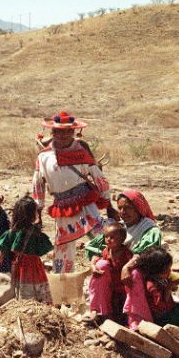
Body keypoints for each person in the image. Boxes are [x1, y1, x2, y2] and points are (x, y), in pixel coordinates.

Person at [32, 111, 114, 274]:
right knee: (63, 247)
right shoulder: (44, 156)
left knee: (101, 238)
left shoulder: (81, 152)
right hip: (62, 206)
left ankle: (112, 271)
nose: (63, 135)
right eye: (58, 131)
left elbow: (99, 177)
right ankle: (63, 288)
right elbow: (38, 183)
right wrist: (37, 209)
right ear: (52, 132)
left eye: (67, 131)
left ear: (74, 132)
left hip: (85, 202)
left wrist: (108, 201)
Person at [85, 189, 162, 329]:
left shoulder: (149, 229)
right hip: (117, 271)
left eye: (128, 208)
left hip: (142, 271)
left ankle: (137, 320)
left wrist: (127, 266)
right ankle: (100, 313)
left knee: (134, 274)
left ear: (139, 208)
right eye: (120, 208)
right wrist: (93, 263)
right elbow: (97, 248)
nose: (123, 212)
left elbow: (146, 254)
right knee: (101, 265)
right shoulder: (118, 228)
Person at [0, 195, 53, 304]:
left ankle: (24, 302)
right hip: (34, 264)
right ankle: (40, 301)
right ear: (32, 214)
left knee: (21, 283)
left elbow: (4, 246)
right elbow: (43, 248)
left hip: (19, 264)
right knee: (36, 281)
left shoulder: (12, 232)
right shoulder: (35, 232)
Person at [134, 246, 179, 326]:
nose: (170, 271)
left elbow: (174, 285)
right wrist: (168, 288)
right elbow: (161, 307)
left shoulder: (160, 278)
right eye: (167, 269)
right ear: (157, 270)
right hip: (162, 318)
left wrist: (173, 285)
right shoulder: (152, 286)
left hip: (169, 310)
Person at [88, 221, 133, 324]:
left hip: (122, 288)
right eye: (106, 236)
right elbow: (100, 261)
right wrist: (94, 264)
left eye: (112, 237)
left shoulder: (125, 252)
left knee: (121, 312)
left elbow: (132, 266)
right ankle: (99, 312)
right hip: (110, 286)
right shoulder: (106, 251)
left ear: (122, 239)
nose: (108, 239)